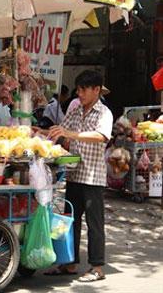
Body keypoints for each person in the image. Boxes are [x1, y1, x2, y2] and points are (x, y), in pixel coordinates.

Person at [35, 70, 113, 282]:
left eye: (84, 89)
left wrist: (71, 134)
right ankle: (70, 263)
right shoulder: (76, 110)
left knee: (94, 223)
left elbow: (100, 136)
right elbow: (61, 130)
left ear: (97, 90)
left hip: (93, 176)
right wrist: (39, 132)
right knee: (71, 220)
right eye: (78, 89)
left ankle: (97, 268)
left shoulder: (104, 113)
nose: (80, 93)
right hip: (75, 173)